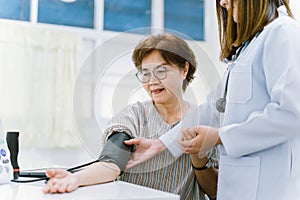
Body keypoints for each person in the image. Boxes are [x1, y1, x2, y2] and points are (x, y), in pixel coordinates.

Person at [125, 1, 300, 200]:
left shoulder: (283, 32)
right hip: (239, 188)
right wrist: (161, 144)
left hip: (269, 189)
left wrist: (220, 137)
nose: (223, 2)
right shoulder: (247, 48)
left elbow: (291, 114)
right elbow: (213, 107)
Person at [43, 33, 217, 199]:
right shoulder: (133, 116)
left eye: (161, 71)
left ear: (184, 69)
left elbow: (215, 190)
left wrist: (198, 156)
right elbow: (111, 163)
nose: (152, 81)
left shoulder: (204, 120)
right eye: (145, 73)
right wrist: (77, 179)